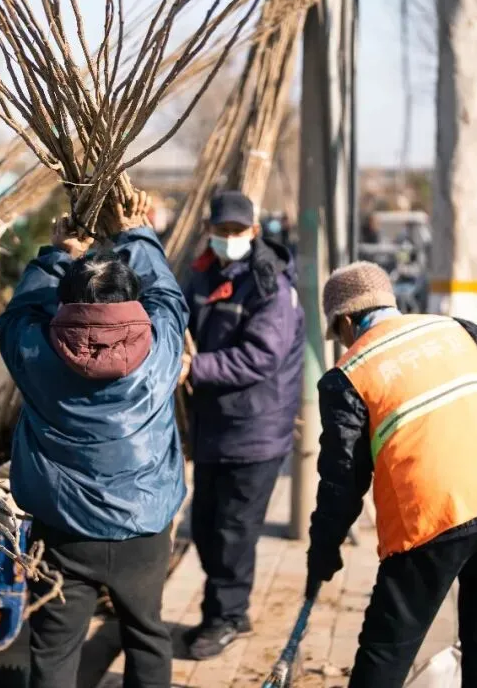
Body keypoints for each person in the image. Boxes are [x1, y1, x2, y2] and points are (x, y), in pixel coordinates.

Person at [306, 261, 477, 688]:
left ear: (345, 321)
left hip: (430, 517)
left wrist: (323, 550)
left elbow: (342, 481)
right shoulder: (461, 331)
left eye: (337, 334)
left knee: (385, 651)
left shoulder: (348, 375)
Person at [0, 191, 188, 688]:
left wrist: (59, 253)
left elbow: (18, 315)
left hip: (63, 532)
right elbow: (169, 297)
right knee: (147, 636)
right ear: (133, 300)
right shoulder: (163, 347)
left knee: (55, 652)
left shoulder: (35, 354)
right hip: (142, 527)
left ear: (67, 301)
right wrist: (137, 232)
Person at [179, 190, 305, 660]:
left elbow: (262, 355)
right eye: (222, 231)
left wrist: (196, 368)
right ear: (211, 231)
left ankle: (226, 616)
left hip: (254, 429)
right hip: (215, 426)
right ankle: (230, 607)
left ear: (253, 231)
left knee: (233, 530)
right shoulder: (204, 272)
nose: (229, 238)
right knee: (207, 525)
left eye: (237, 231)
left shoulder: (270, 285)